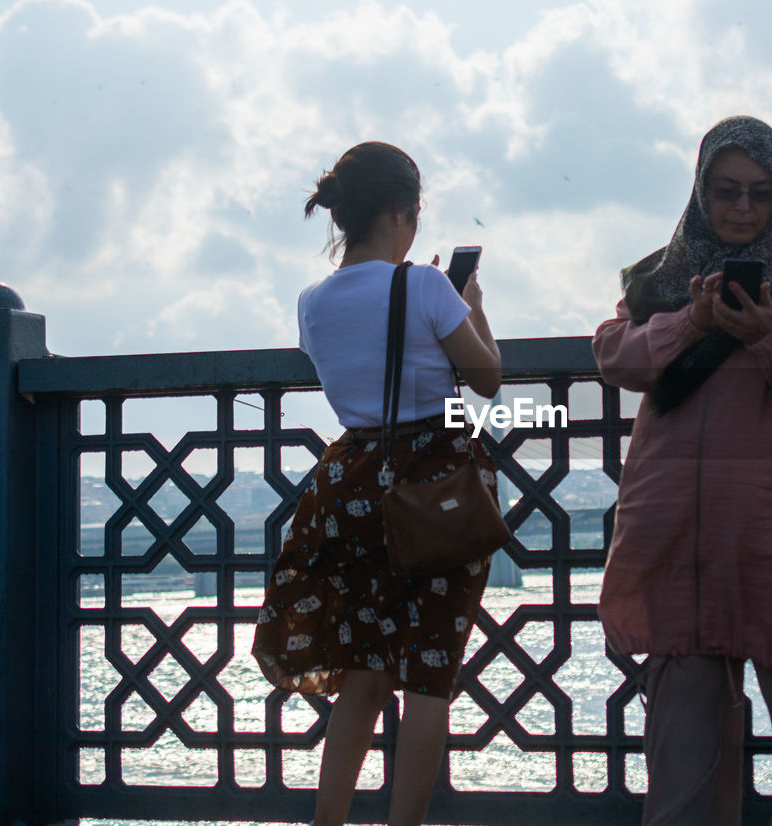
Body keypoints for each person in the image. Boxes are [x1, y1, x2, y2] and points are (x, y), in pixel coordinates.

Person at [592, 116, 772, 825]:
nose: (743, 208)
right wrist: (692, 321)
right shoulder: (663, 277)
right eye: (726, 192)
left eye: (759, 192)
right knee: (682, 732)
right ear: (700, 191)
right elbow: (613, 356)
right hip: (678, 529)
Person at [252, 141, 502, 826]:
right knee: (426, 676)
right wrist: (469, 304)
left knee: (362, 673)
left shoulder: (310, 301)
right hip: (436, 493)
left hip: (349, 485)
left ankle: (327, 821)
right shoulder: (423, 286)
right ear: (400, 213)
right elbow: (486, 380)